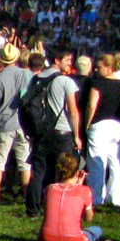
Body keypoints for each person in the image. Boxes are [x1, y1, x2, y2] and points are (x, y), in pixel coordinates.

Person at [25, 46, 82, 218]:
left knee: (39, 171)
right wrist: (77, 135)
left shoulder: (36, 79)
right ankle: (57, 206)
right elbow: (72, 110)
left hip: (41, 131)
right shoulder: (65, 81)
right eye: (67, 60)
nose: (70, 64)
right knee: (62, 170)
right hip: (61, 130)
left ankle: (33, 209)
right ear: (57, 60)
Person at [83, 53, 120, 208]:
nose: (97, 70)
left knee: (97, 162)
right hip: (118, 126)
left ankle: (96, 198)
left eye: (99, 67)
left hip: (99, 124)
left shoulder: (98, 84)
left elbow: (92, 105)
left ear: (109, 67)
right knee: (117, 163)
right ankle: (116, 199)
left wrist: (87, 124)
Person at [0, 43, 31, 203]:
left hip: (3, 123)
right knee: (24, 162)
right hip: (23, 123)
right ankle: (26, 194)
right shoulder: (27, 75)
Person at [40, 152, 104, 241]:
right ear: (78, 173)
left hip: (46, 239)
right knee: (97, 230)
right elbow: (88, 218)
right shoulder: (84, 190)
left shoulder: (49, 189)